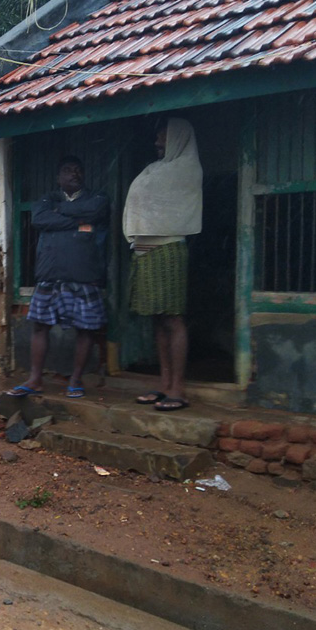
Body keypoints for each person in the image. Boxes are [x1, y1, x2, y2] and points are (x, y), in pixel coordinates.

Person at [7, 156, 109, 399]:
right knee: (40, 326)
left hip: (84, 275)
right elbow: (39, 218)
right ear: (58, 177)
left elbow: (95, 212)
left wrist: (60, 214)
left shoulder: (97, 198)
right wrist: (78, 222)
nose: (74, 174)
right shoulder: (47, 199)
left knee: (85, 329)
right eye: (67, 170)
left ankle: (75, 380)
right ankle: (35, 379)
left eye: (78, 170)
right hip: (49, 274)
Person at [122, 117, 203, 412]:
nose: (157, 143)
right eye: (157, 138)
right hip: (144, 252)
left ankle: (178, 389)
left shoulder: (185, 169)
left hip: (168, 251)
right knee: (156, 319)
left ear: (179, 139)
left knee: (173, 318)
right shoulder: (156, 168)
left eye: (163, 138)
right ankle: (163, 383)